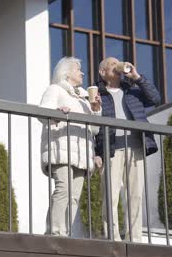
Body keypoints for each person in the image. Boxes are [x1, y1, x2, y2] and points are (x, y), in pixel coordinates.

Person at [94, 57, 161, 242]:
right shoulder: (96, 93)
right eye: (112, 65)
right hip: (110, 149)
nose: (117, 67)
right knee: (110, 196)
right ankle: (112, 239)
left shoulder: (132, 90)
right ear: (103, 72)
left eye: (118, 64)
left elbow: (155, 99)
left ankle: (135, 239)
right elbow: (90, 123)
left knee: (135, 195)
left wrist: (137, 76)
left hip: (136, 147)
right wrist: (95, 153)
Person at [39, 57, 102, 236]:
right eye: (77, 69)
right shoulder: (55, 89)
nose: (81, 73)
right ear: (66, 73)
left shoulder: (83, 98)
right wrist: (56, 114)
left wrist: (95, 109)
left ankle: (65, 233)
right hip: (61, 148)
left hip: (81, 153)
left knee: (74, 196)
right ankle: (54, 232)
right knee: (63, 189)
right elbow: (42, 114)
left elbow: (95, 129)